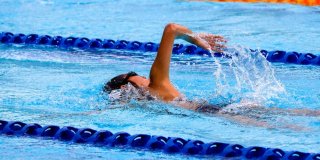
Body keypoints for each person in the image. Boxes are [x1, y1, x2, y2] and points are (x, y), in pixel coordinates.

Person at [103, 23, 319, 130]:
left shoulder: (148, 103)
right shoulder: (156, 84)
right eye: (132, 75)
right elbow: (171, 29)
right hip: (215, 110)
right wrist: (195, 39)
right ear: (126, 86)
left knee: (282, 121)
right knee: (287, 121)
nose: (140, 75)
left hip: (213, 111)